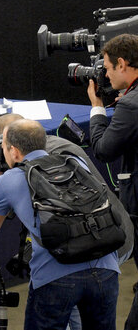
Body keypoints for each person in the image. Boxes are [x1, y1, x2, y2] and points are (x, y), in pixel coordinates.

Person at [0, 119, 119, 329]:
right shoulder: (74, 162)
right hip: (106, 266)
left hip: (56, 275)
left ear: (14, 152)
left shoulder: (9, 180)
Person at [86, 33, 138, 329]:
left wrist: (97, 107)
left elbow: (104, 150)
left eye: (106, 68)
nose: (104, 75)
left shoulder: (130, 106)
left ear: (121, 64)